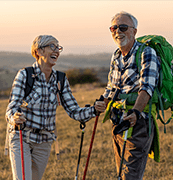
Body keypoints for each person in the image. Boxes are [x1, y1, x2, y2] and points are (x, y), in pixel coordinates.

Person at [5, 35, 106, 180]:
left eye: (58, 48)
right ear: (39, 51)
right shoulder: (25, 75)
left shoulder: (60, 79)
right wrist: (14, 117)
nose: (57, 51)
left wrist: (94, 110)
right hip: (22, 137)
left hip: (44, 140)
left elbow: (74, 111)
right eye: (52, 47)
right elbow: (12, 107)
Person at [98, 11, 160, 179]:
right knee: (121, 170)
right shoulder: (116, 55)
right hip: (117, 119)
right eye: (114, 28)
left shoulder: (146, 53)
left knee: (130, 174)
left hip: (138, 121)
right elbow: (111, 87)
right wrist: (101, 102)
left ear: (134, 31)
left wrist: (136, 113)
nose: (118, 31)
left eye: (123, 27)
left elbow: (147, 88)